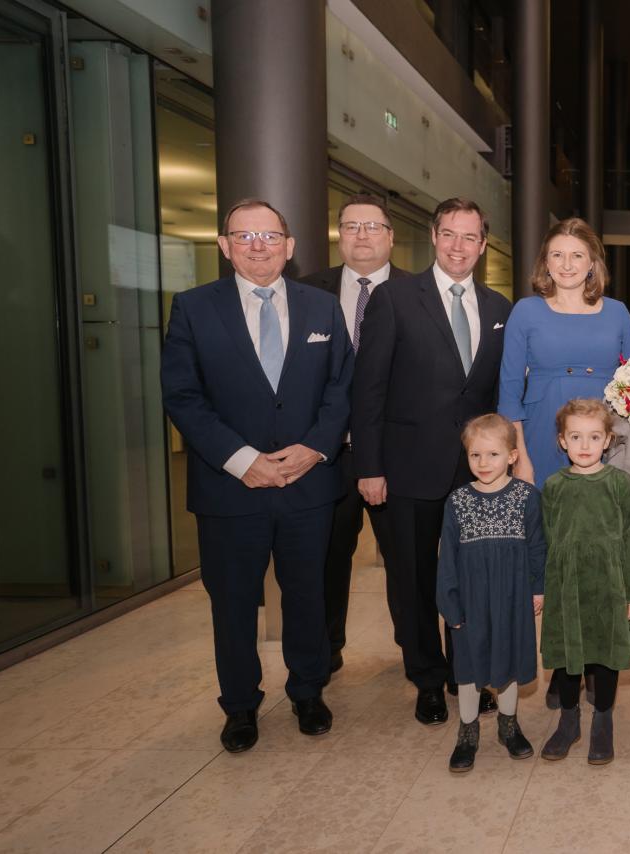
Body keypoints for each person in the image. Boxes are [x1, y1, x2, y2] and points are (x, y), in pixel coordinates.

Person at [161, 198, 353, 752]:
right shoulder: (194, 308)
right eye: (243, 237)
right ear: (224, 247)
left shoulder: (321, 308)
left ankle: (308, 690)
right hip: (229, 487)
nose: (258, 247)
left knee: (308, 594)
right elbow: (182, 396)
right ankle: (240, 705)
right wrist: (243, 461)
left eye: (269, 236)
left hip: (308, 482)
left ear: (289, 247)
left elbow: (342, 386)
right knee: (234, 600)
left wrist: (315, 449)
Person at [352, 197, 511, 725]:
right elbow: (368, 390)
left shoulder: (498, 309)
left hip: (477, 473)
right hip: (407, 468)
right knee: (414, 578)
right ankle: (425, 677)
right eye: (449, 234)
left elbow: (491, 393)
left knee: (468, 578)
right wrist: (369, 467)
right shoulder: (395, 298)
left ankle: (463, 673)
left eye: (470, 237)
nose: (458, 246)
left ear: (483, 245)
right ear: (433, 237)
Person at [300, 192, 411, 674]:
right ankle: (326, 653)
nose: (361, 235)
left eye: (372, 227)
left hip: (396, 455)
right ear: (338, 235)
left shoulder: (417, 292)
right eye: (350, 226)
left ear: (391, 236)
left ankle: (418, 654)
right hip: (326, 456)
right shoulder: (304, 293)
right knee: (326, 559)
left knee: (406, 563)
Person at [539, 399, 630, 765]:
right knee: (568, 659)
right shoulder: (553, 487)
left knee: (604, 657)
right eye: (576, 437)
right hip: (566, 588)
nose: (585, 445)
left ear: (608, 441)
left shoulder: (619, 485)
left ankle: (603, 721)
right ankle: (569, 721)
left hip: (609, 586)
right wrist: (543, 588)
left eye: (594, 437)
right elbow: (547, 541)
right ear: (562, 442)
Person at [497, 217, 630, 492]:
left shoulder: (617, 312)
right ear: (546, 263)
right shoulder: (525, 312)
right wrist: (519, 457)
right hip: (541, 431)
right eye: (557, 255)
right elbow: (509, 392)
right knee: (544, 525)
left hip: (604, 437)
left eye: (577, 255)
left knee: (600, 525)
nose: (566, 264)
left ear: (591, 264)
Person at [437, 414, 546, 772]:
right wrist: (450, 604)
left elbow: (536, 547)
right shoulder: (457, 502)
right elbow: (447, 559)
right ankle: (467, 731)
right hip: (470, 602)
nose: (483, 464)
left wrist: (538, 588)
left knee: (508, 661)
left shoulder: (526, 497)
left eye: (493, 455)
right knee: (468, 665)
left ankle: (508, 724)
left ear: (513, 456)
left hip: (512, 598)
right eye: (475, 456)